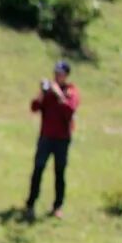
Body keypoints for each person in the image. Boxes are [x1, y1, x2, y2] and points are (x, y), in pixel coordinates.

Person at [25, 60, 80, 220]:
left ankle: (58, 206)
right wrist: (42, 93)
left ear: (66, 75)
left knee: (59, 172)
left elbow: (69, 111)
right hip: (46, 138)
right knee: (38, 170)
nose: (57, 76)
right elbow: (34, 107)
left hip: (62, 140)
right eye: (56, 73)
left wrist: (59, 95)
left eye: (60, 74)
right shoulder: (48, 91)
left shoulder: (71, 91)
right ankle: (30, 204)